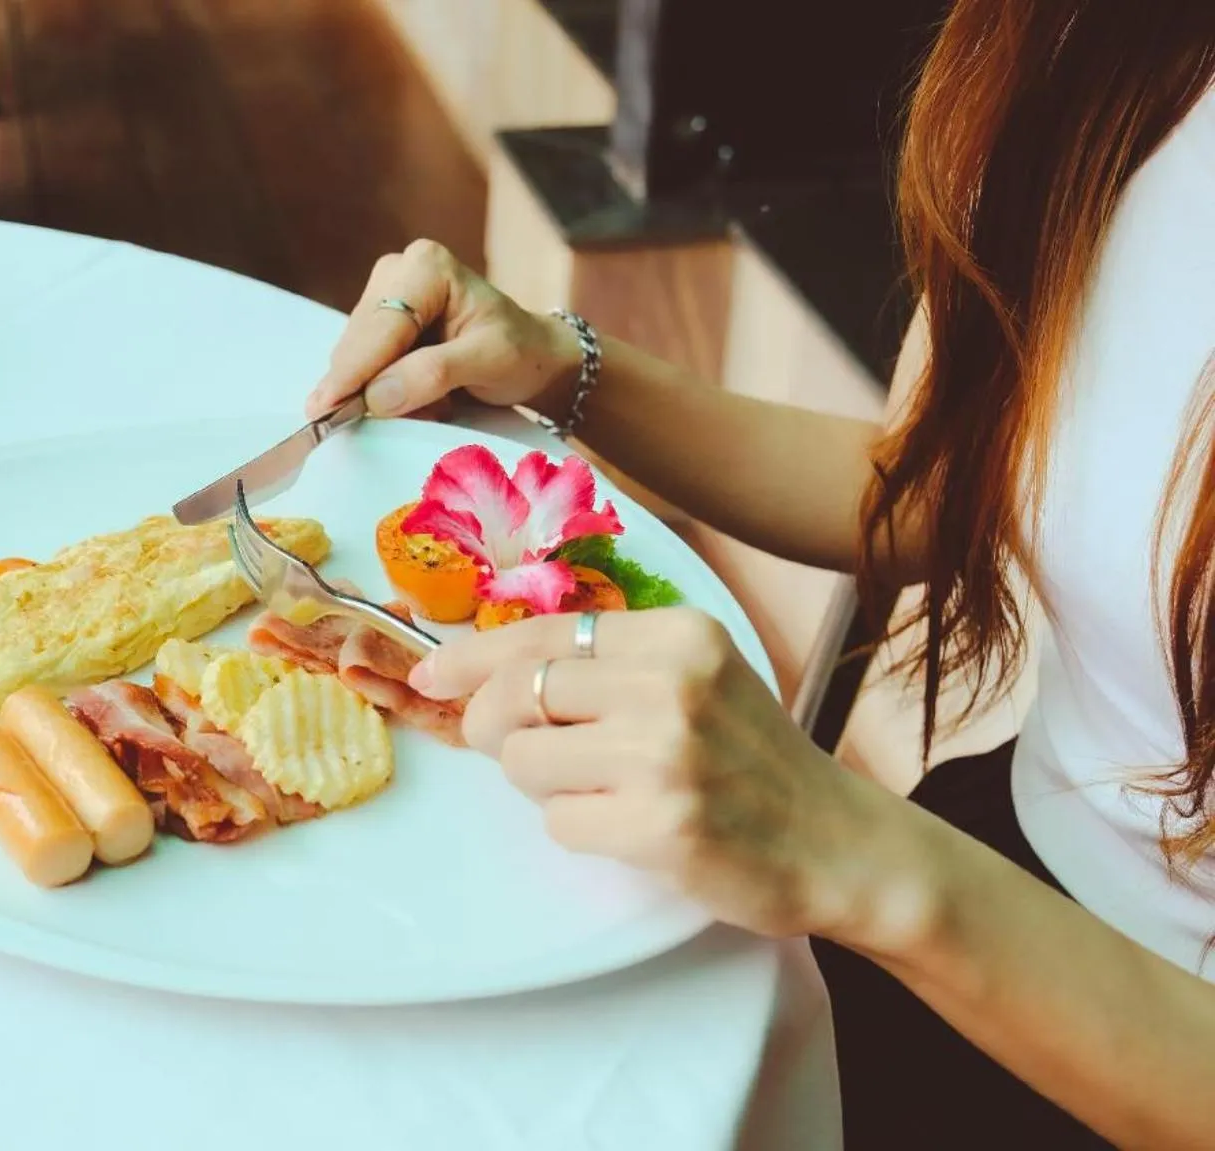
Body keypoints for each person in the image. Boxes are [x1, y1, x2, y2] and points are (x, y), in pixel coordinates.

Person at [304, 2, 1215, 1146]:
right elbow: (930, 488)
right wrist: (555, 361)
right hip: (986, 876)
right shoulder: (1100, 46)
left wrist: (856, 852)